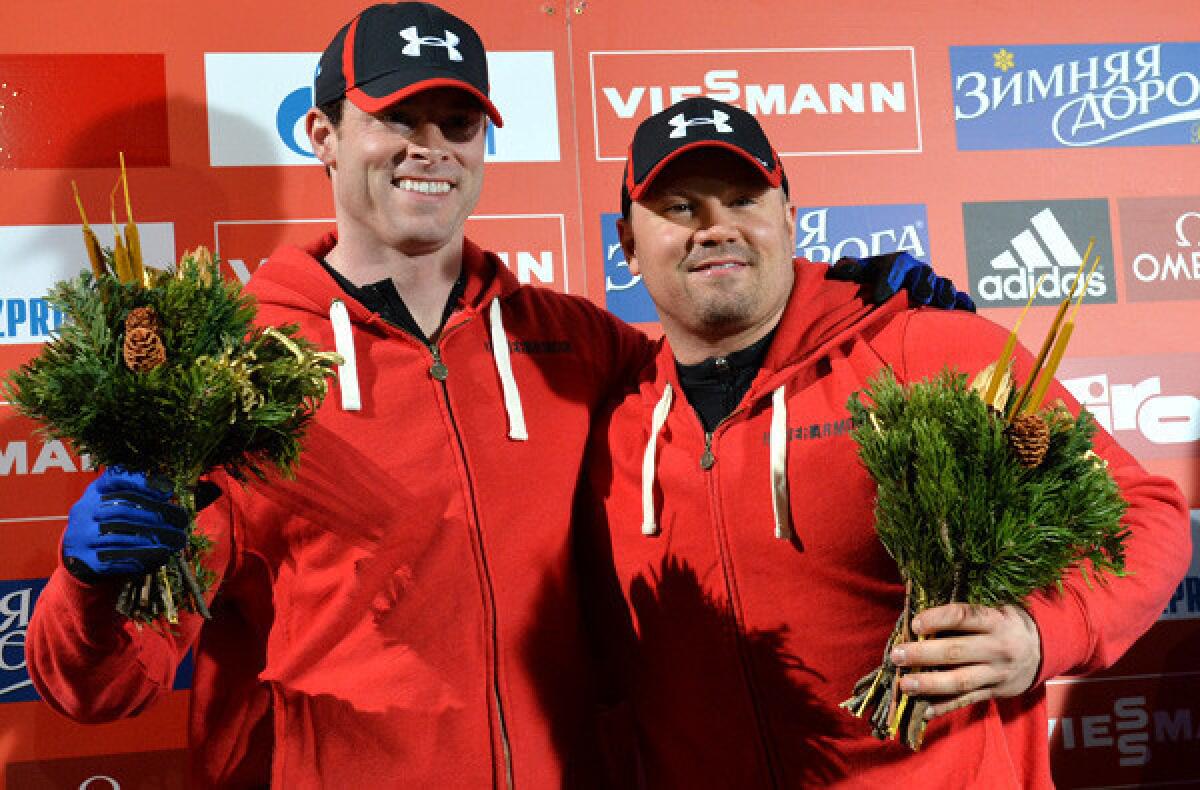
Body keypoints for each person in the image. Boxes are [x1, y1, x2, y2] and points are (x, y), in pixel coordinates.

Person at [26, 6, 966, 787]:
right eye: (398, 118)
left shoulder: (571, 342)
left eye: (457, 124)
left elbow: (726, 372)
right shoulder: (226, 372)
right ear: (322, 133)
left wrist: (847, 306)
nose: (429, 150)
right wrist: (90, 585)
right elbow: (103, 688)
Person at [579, 96, 1191, 789]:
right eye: (681, 208)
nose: (717, 228)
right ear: (628, 243)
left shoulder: (924, 348)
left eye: (745, 198)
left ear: (789, 217)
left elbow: (1144, 514)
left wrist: (1044, 632)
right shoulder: (614, 426)